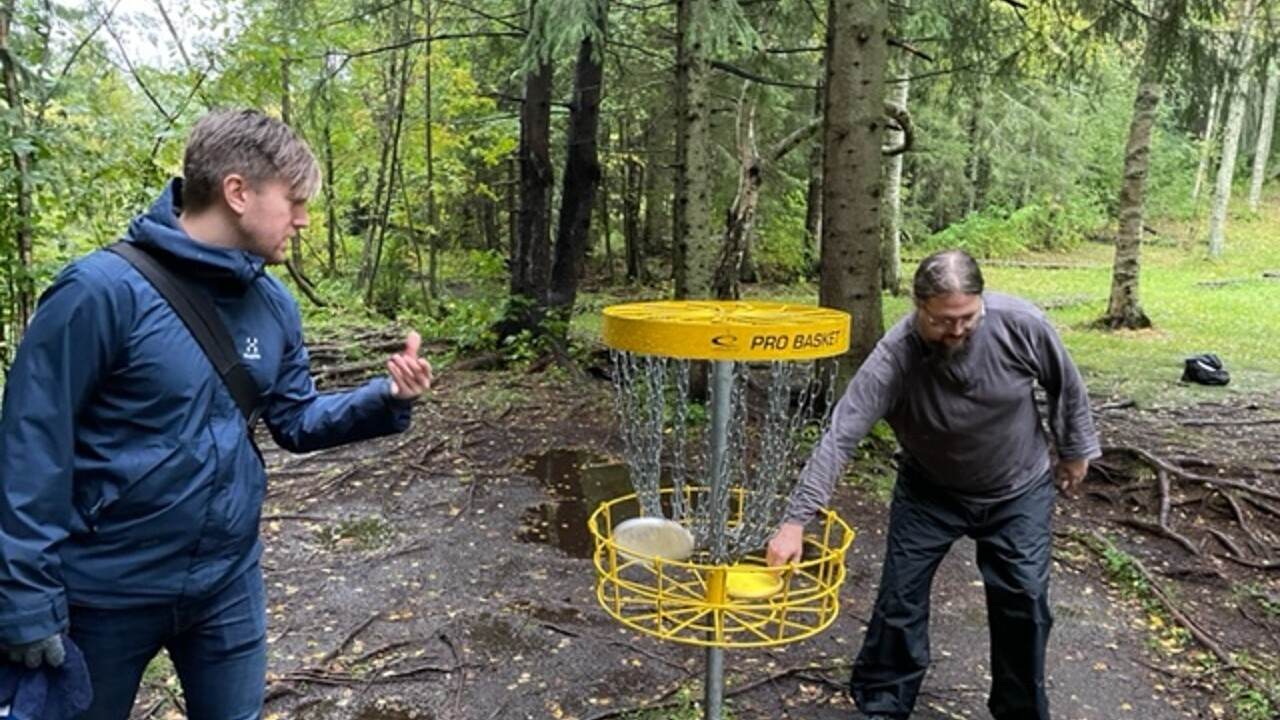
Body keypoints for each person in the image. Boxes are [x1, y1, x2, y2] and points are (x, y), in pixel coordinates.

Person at [0, 108, 435, 719]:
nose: (304, 219)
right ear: (237, 192)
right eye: (295, 201)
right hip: (104, 593)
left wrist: (384, 399)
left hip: (227, 584)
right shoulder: (99, 293)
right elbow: (29, 450)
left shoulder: (271, 303)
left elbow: (296, 420)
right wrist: (24, 601)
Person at [767, 249, 1099, 720]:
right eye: (944, 321)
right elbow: (841, 435)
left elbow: (1065, 385)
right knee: (899, 599)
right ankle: (883, 704)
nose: (958, 329)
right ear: (918, 307)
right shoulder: (895, 354)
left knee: (1023, 601)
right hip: (929, 493)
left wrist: (1075, 452)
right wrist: (795, 521)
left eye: (968, 316)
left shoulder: (1021, 323)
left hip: (1017, 489)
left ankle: (1020, 710)